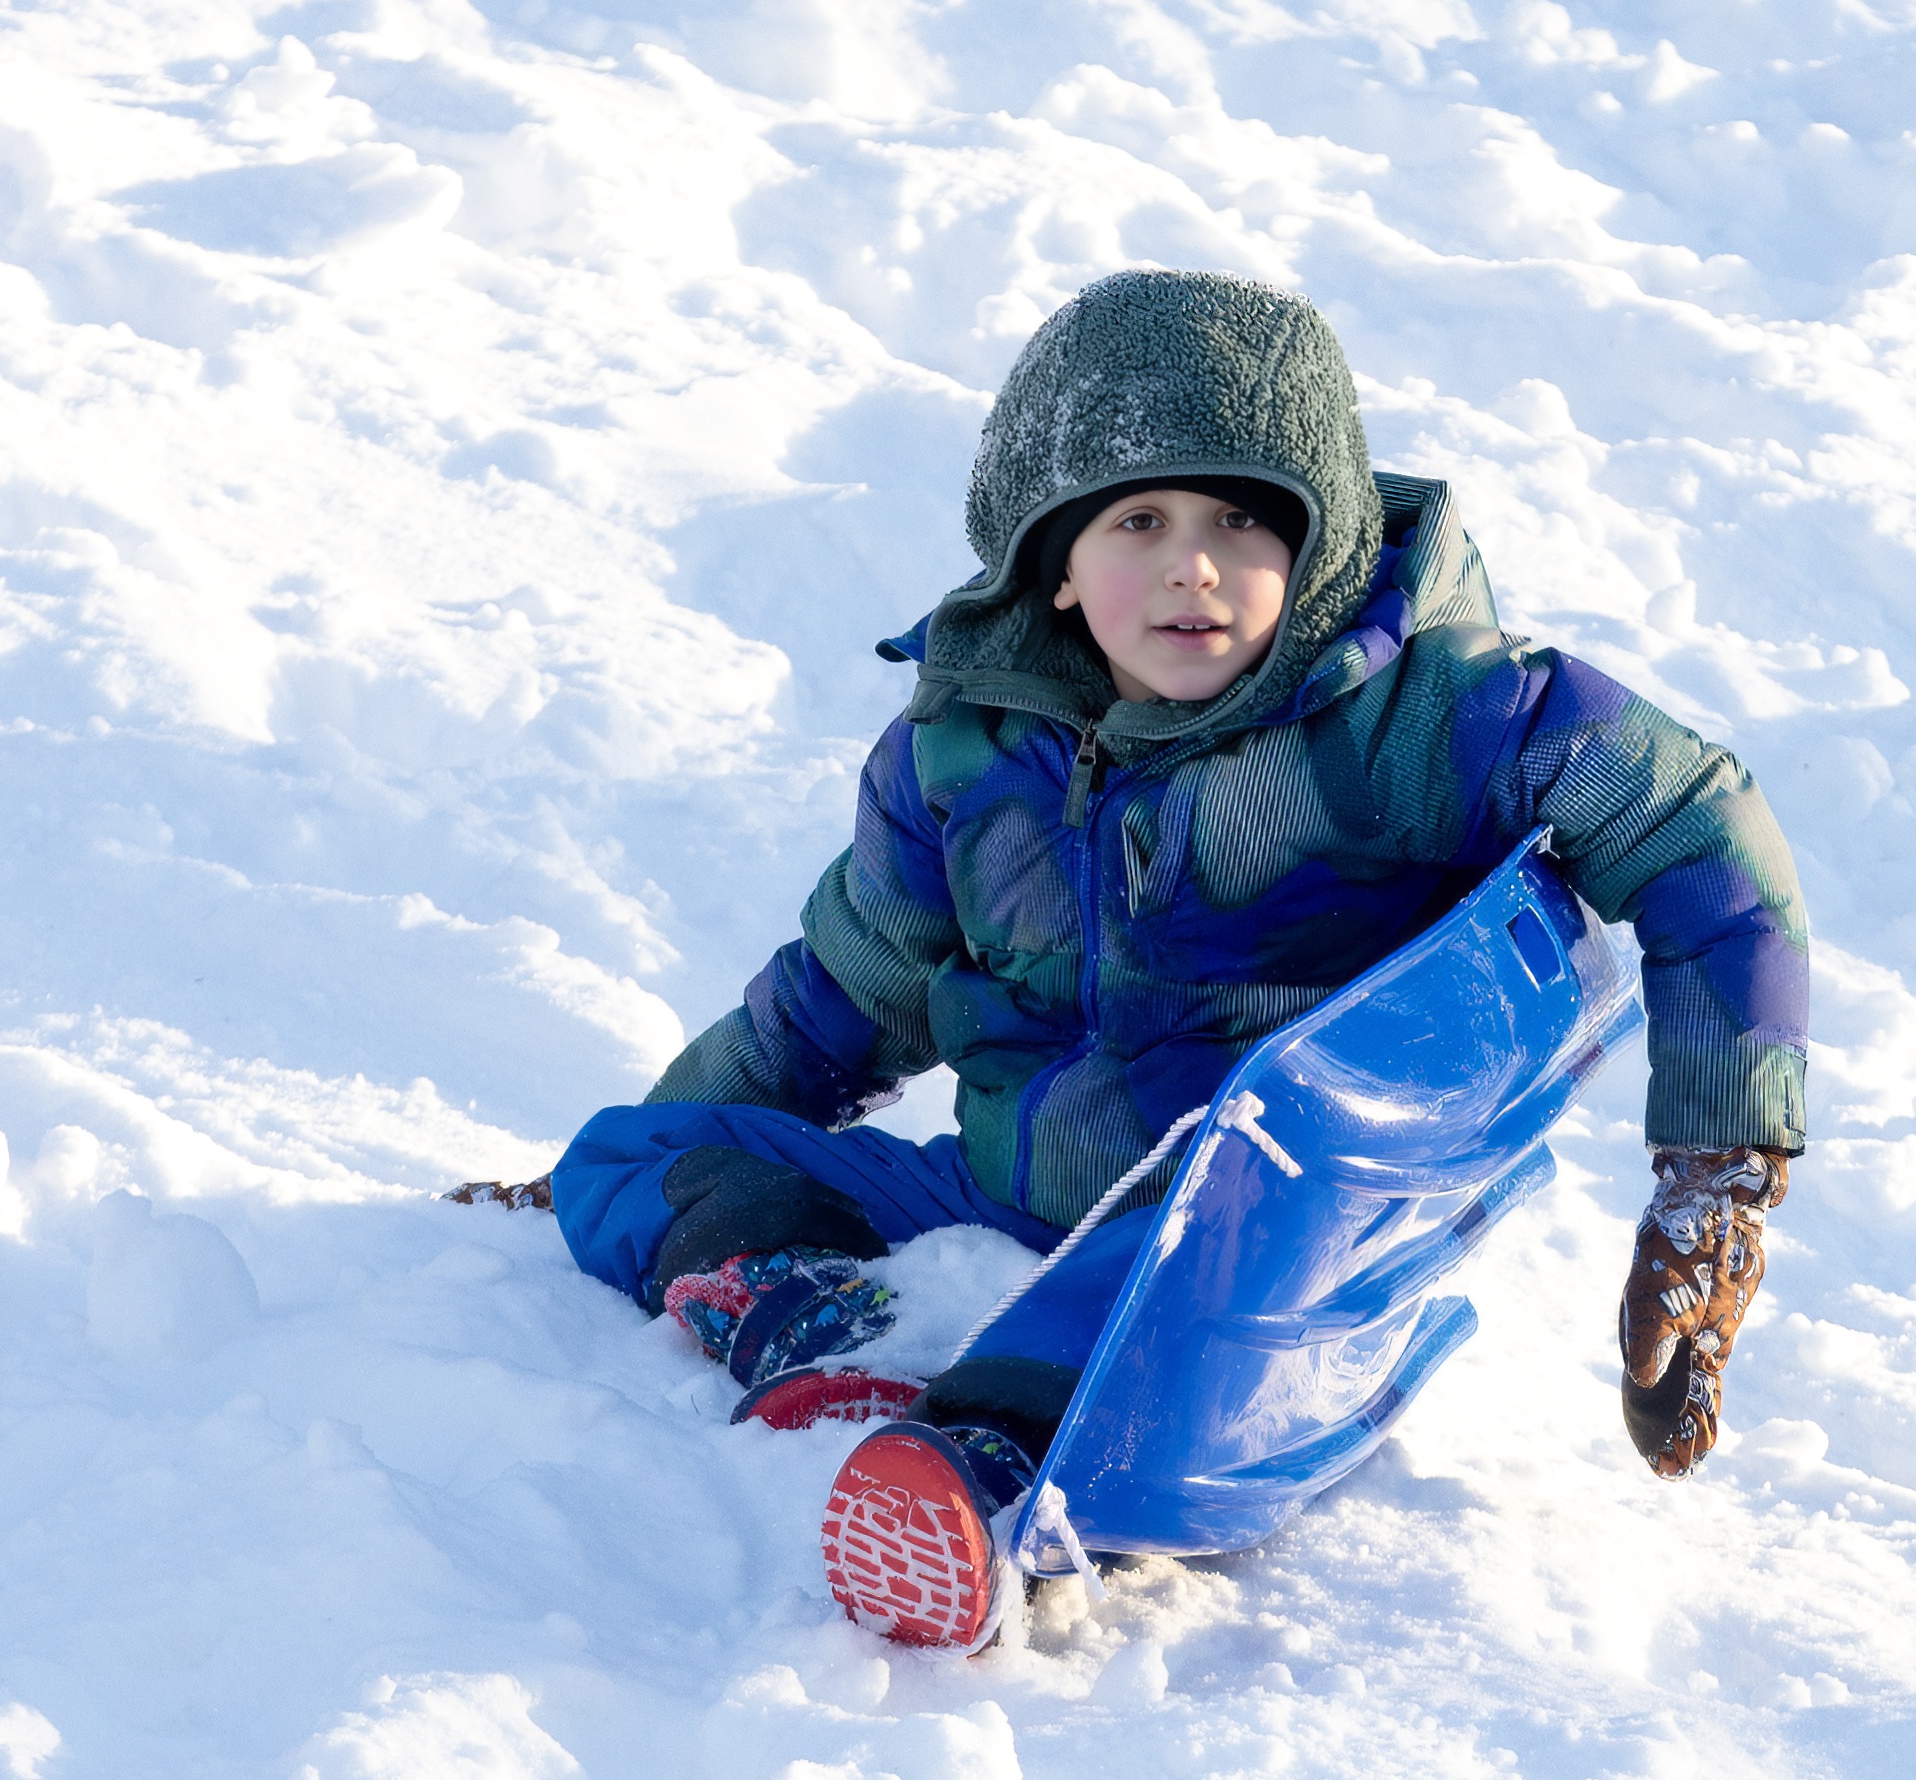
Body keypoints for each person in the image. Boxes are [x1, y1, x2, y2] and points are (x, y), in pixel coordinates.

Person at [544, 269, 1809, 1649]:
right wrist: (685, 1140)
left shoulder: (1416, 720)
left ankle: (980, 1471)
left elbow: (1695, 824)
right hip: (1007, 1192)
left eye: (1244, 520)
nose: (1191, 564)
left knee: (1154, 1309)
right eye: (1137, 519)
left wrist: (1719, 1173)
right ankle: (818, 1311)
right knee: (622, 1158)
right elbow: (845, 986)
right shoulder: (965, 752)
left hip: (1244, 1231)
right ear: (1055, 563)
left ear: (1317, 548)